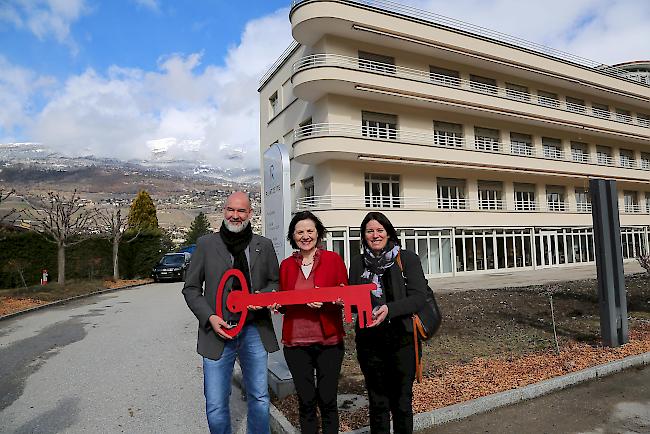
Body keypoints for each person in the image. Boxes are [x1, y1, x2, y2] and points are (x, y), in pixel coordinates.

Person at [182, 191, 279, 434]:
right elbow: (191, 289)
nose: (235, 216)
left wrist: (263, 297)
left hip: (254, 329)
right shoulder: (205, 244)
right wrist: (210, 317)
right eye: (231, 210)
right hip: (217, 331)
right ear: (224, 211)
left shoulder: (263, 245)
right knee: (215, 404)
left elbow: (275, 283)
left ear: (250, 214)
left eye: (241, 211)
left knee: (259, 396)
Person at [348, 211, 427, 434]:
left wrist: (389, 310)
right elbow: (354, 302)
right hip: (369, 343)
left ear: (388, 232)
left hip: (402, 341)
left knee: (402, 403)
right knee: (377, 403)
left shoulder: (407, 259)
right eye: (369, 231)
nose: (375, 235)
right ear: (363, 236)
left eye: (379, 230)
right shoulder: (358, 263)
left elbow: (419, 297)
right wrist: (342, 301)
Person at [277, 211, 348, 434]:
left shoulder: (333, 260)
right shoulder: (286, 265)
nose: (305, 236)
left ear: (318, 234)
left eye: (310, 231)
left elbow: (345, 295)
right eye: (300, 232)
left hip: (329, 341)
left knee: (328, 400)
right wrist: (277, 304)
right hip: (296, 344)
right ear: (293, 236)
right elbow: (284, 300)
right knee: (306, 401)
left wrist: (328, 300)